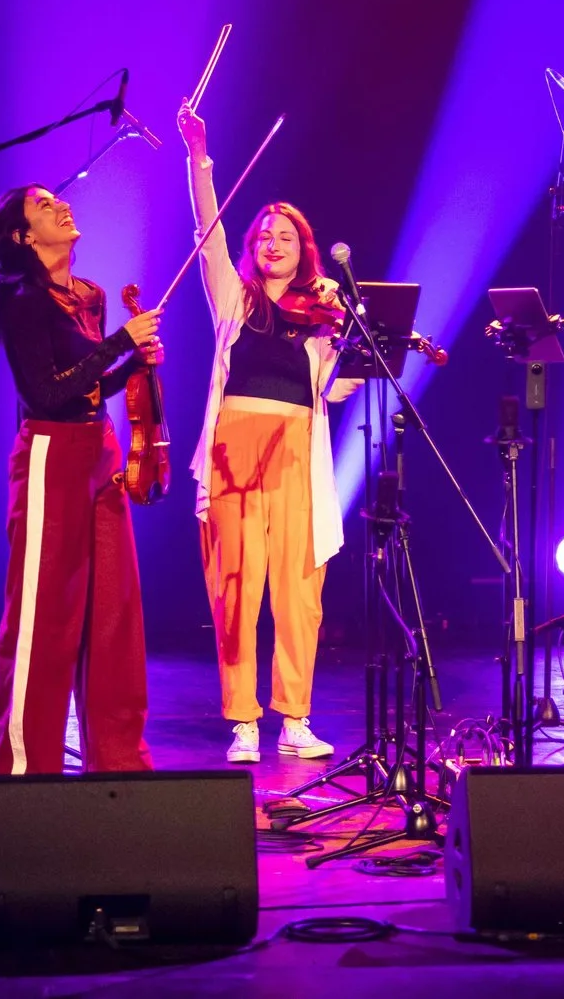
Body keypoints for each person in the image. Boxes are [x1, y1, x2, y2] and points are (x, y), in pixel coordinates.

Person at [178, 104, 362, 764]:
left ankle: (295, 717)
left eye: (285, 235)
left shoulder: (325, 307)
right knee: (235, 589)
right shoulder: (235, 296)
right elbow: (209, 233)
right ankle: (244, 722)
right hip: (233, 446)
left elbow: (335, 385)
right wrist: (199, 158)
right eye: (265, 235)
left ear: (303, 246)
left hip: (296, 450)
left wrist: (350, 361)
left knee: (298, 591)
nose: (273, 242)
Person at [0, 183, 165, 775]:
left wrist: (134, 362)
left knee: (113, 611)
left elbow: (91, 386)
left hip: (100, 450)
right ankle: (26, 771)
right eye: (42, 205)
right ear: (24, 236)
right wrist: (120, 344)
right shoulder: (25, 302)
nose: (60, 205)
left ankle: (119, 763)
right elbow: (47, 394)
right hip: (51, 456)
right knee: (43, 618)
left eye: (57, 199)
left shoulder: (90, 295)